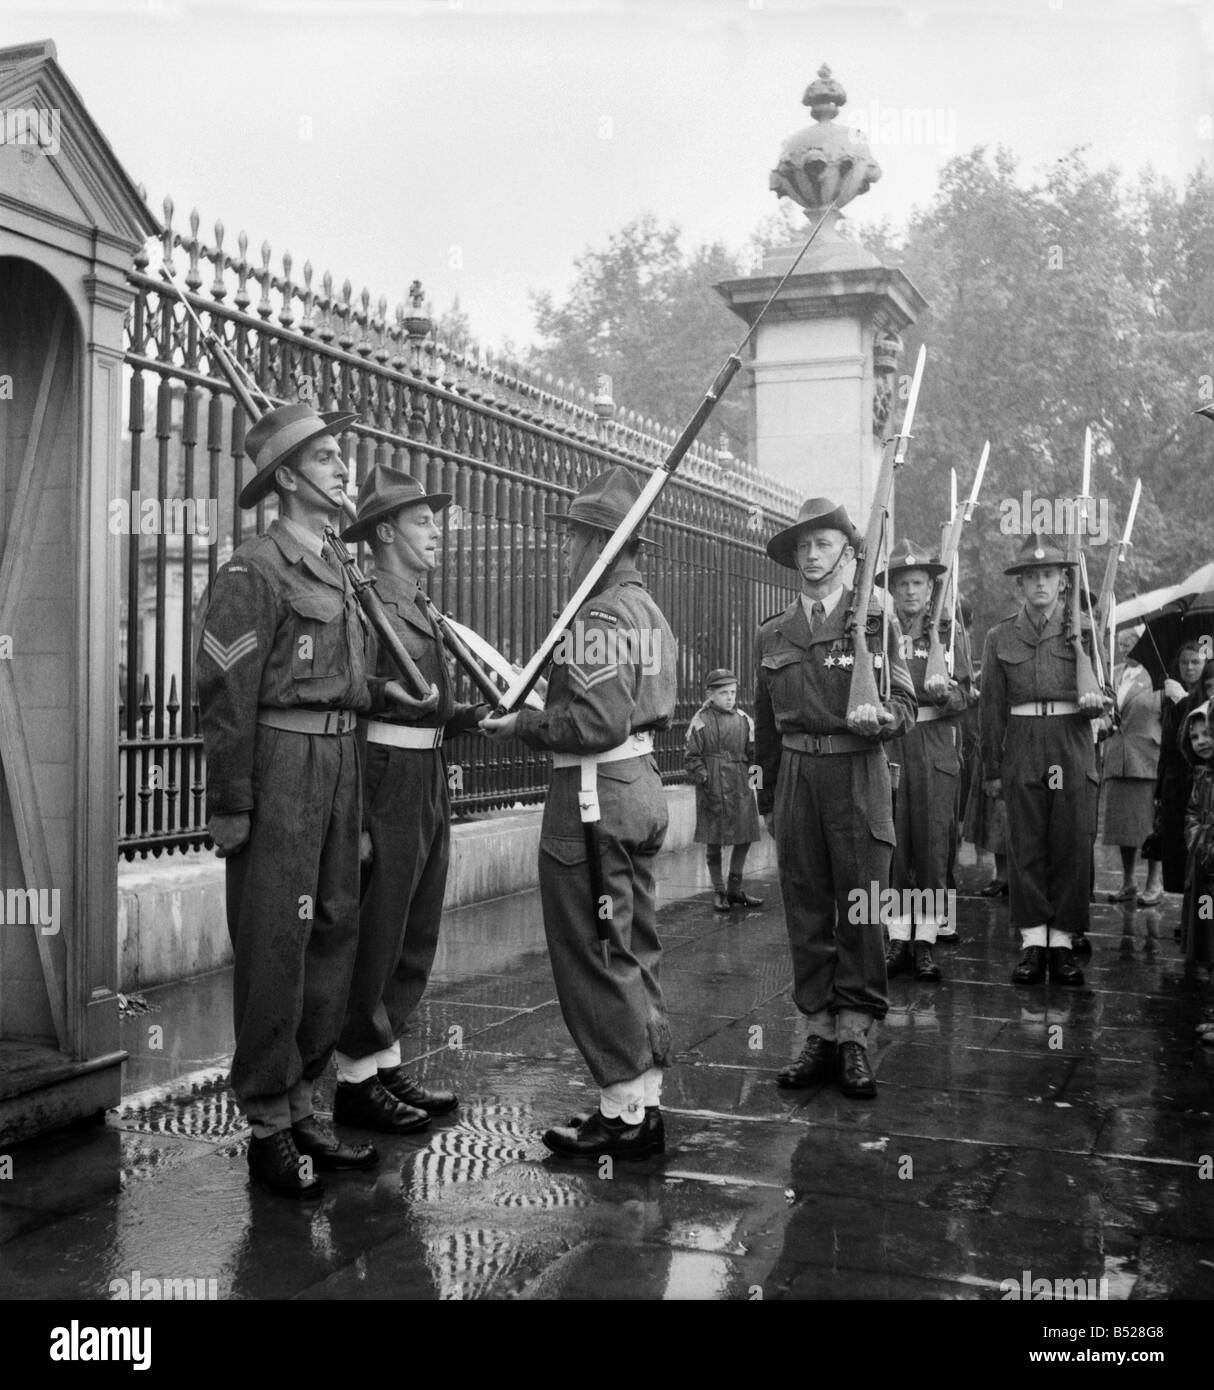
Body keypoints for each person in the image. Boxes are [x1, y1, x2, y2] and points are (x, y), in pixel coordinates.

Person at [197, 403, 436, 1198]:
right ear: (290, 478)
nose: (343, 468)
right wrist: (233, 804)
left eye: (341, 454)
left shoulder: (338, 568)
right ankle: (267, 1124)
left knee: (333, 931)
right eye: (328, 458)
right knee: (276, 943)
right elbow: (224, 697)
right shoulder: (251, 571)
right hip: (281, 766)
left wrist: (406, 701)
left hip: (339, 764)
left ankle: (307, 1105)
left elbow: (355, 689)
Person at [481, 466, 676, 1159]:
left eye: (574, 537)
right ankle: (642, 1098)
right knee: (632, 947)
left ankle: (624, 1112)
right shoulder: (646, 608)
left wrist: (528, 724)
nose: (566, 550)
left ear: (600, 541)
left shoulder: (597, 613)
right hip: (639, 785)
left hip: (595, 794)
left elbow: (592, 720)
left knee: (595, 953)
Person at [331, 465, 488, 1135]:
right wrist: (361, 814)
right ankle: (354, 1080)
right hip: (385, 774)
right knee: (378, 930)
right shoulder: (366, 603)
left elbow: (430, 703)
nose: (436, 533)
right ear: (386, 532)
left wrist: (473, 716)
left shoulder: (420, 602)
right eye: (424, 522)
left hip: (427, 772)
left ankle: (385, 1059)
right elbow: (355, 698)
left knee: (415, 928)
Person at [754, 497, 916, 1100]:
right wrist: (770, 798)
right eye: (804, 546)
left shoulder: (872, 621)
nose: (812, 556)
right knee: (807, 907)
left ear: (849, 555)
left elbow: (906, 705)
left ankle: (854, 1036)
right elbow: (765, 726)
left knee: (860, 907)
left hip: (856, 773)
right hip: (798, 777)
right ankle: (818, 1032)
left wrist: (881, 721)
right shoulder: (774, 631)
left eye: (824, 544)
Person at [978, 534, 1105, 989]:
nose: (1039, 584)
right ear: (1019, 586)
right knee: (1026, 844)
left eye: (1048, 575)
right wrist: (992, 769)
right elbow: (991, 708)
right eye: (1031, 577)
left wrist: (1096, 702)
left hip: (1070, 740)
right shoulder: (999, 636)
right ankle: (1034, 942)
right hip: (1024, 742)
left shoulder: (1086, 630)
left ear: (1063, 583)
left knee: (1069, 843)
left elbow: (1103, 693)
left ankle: (1064, 944)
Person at [876, 539, 975, 979]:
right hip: (895, 746)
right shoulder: (880, 633)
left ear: (931, 588)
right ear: (893, 590)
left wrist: (948, 694)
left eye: (918, 583)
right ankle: (898, 937)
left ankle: (926, 941)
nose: (911, 592)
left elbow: (969, 692)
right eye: (903, 584)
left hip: (935, 745)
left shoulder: (952, 635)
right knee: (896, 845)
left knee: (934, 848)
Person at [683, 668, 763, 913]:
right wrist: (705, 778)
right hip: (714, 785)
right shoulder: (700, 721)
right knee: (713, 840)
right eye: (724, 693)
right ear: (710, 694)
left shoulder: (743, 720)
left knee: (745, 836)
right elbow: (691, 758)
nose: (730, 697)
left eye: (733, 692)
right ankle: (719, 892)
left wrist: (755, 786)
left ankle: (735, 888)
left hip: (740, 785)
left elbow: (754, 755)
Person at [1101, 628, 1164, 906]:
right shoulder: (1112, 674)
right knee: (1123, 826)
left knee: (1149, 826)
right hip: (1117, 756)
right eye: (1121, 643)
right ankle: (1128, 882)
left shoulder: (1157, 674)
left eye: (1131, 643)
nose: (1125, 648)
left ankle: (1154, 882)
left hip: (1146, 758)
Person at [1156, 643, 1212, 902]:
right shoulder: (1171, 695)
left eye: (1195, 663)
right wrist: (1158, 790)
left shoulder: (1204, 700)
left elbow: (1197, 744)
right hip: (1173, 785)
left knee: (1200, 849)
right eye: (1184, 663)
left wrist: (1184, 703)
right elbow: (1167, 747)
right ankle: (1187, 909)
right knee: (1177, 850)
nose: (1189, 668)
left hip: (1199, 783)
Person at [1180, 700, 1214, 1010]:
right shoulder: (1201, 775)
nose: (1201, 742)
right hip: (1202, 867)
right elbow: (1192, 812)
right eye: (1195, 737)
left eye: (1208, 734)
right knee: (1207, 940)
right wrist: (1197, 838)